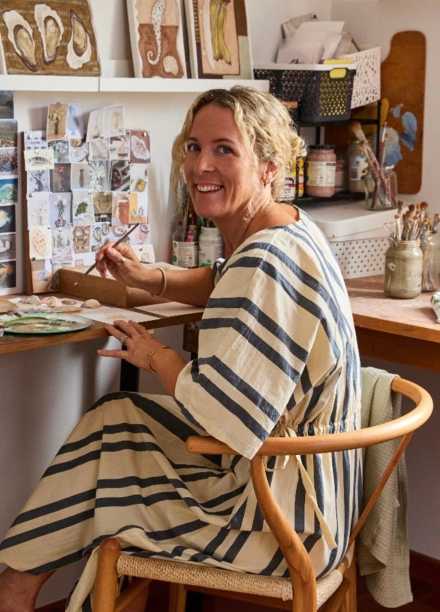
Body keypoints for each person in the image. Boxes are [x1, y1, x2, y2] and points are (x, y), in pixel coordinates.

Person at [0, 87, 362, 612]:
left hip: (280, 523)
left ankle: (16, 587)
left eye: (224, 149)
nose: (200, 165)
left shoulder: (266, 262)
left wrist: (155, 356)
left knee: (112, 457)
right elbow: (223, 280)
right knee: (117, 418)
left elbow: (224, 421)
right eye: (194, 147)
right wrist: (150, 278)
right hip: (318, 493)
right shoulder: (289, 229)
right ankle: (20, 584)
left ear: (268, 166)